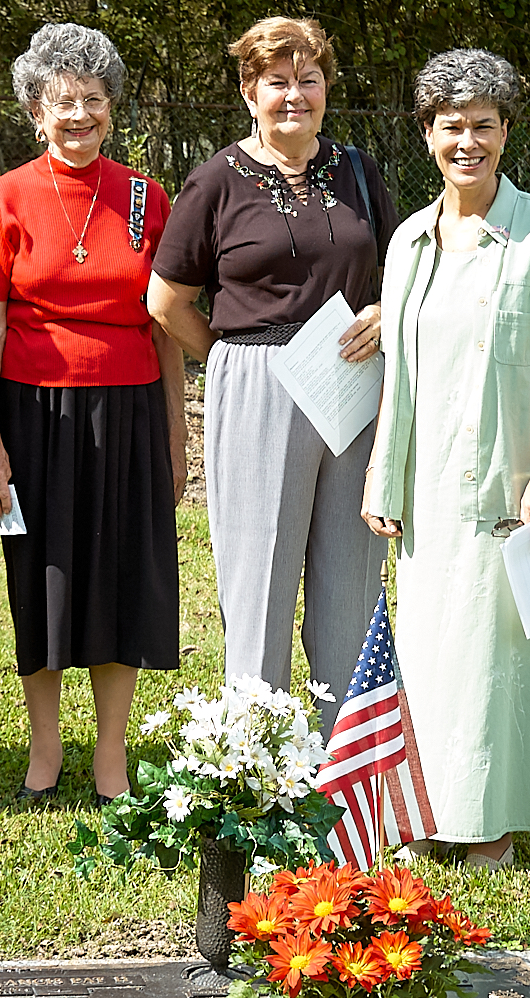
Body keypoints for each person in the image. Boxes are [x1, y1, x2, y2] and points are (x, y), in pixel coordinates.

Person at [363, 49, 530, 871]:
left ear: (507, 132)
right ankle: (437, 811)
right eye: (452, 126)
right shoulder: (406, 243)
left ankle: (495, 825)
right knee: (435, 654)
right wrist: (380, 474)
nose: (469, 141)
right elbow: (399, 367)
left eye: (485, 126)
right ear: (427, 134)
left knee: (508, 655)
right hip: (430, 490)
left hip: (515, 485)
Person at [147, 17, 399, 733]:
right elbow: (165, 301)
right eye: (278, 82)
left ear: (326, 89)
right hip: (258, 379)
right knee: (259, 591)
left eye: (309, 80)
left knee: (351, 584)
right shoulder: (217, 180)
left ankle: (346, 782)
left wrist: (385, 311)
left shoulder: (356, 169)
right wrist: (235, 361)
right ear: (250, 91)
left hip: (351, 381)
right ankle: (259, 781)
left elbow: (397, 265)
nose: (296, 96)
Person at [0, 23, 184, 804]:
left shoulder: (144, 196)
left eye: (94, 100)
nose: (81, 114)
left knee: (124, 578)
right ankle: (46, 748)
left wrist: (175, 432)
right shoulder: (5, 196)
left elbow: (162, 321)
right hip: (34, 413)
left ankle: (112, 757)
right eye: (64, 100)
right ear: (35, 109)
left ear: (112, 109)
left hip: (127, 413)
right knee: (45, 575)